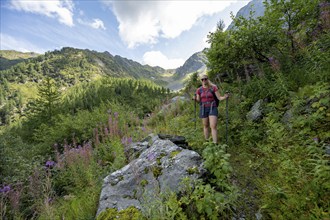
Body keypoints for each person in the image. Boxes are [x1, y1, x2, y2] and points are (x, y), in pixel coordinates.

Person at [194, 74, 229, 144]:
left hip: (213, 107)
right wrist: (195, 99)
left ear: (207, 79)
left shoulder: (214, 87)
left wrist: (225, 97)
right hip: (203, 108)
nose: (204, 80)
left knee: (213, 125)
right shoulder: (199, 90)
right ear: (201, 81)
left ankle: (215, 143)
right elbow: (198, 100)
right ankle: (207, 142)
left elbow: (219, 98)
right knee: (205, 125)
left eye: (205, 79)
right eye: (202, 79)